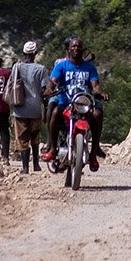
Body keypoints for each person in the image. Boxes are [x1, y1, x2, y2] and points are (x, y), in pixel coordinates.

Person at [44, 36, 103, 170]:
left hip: (83, 104)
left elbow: (95, 84)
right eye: (74, 46)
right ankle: (52, 149)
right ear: (69, 49)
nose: (76, 48)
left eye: (79, 46)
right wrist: (49, 89)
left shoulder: (90, 68)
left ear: (83, 50)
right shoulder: (61, 66)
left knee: (98, 115)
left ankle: (93, 154)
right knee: (55, 112)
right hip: (66, 103)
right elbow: (53, 81)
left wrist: (98, 92)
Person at [5, 41, 49, 174]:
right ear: (35, 53)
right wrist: (46, 108)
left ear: (24, 53)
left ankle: (25, 167)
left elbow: (13, 85)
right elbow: (44, 90)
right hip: (35, 109)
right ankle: (36, 164)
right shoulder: (41, 69)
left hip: (20, 108)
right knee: (35, 137)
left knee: (23, 138)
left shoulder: (16, 67)